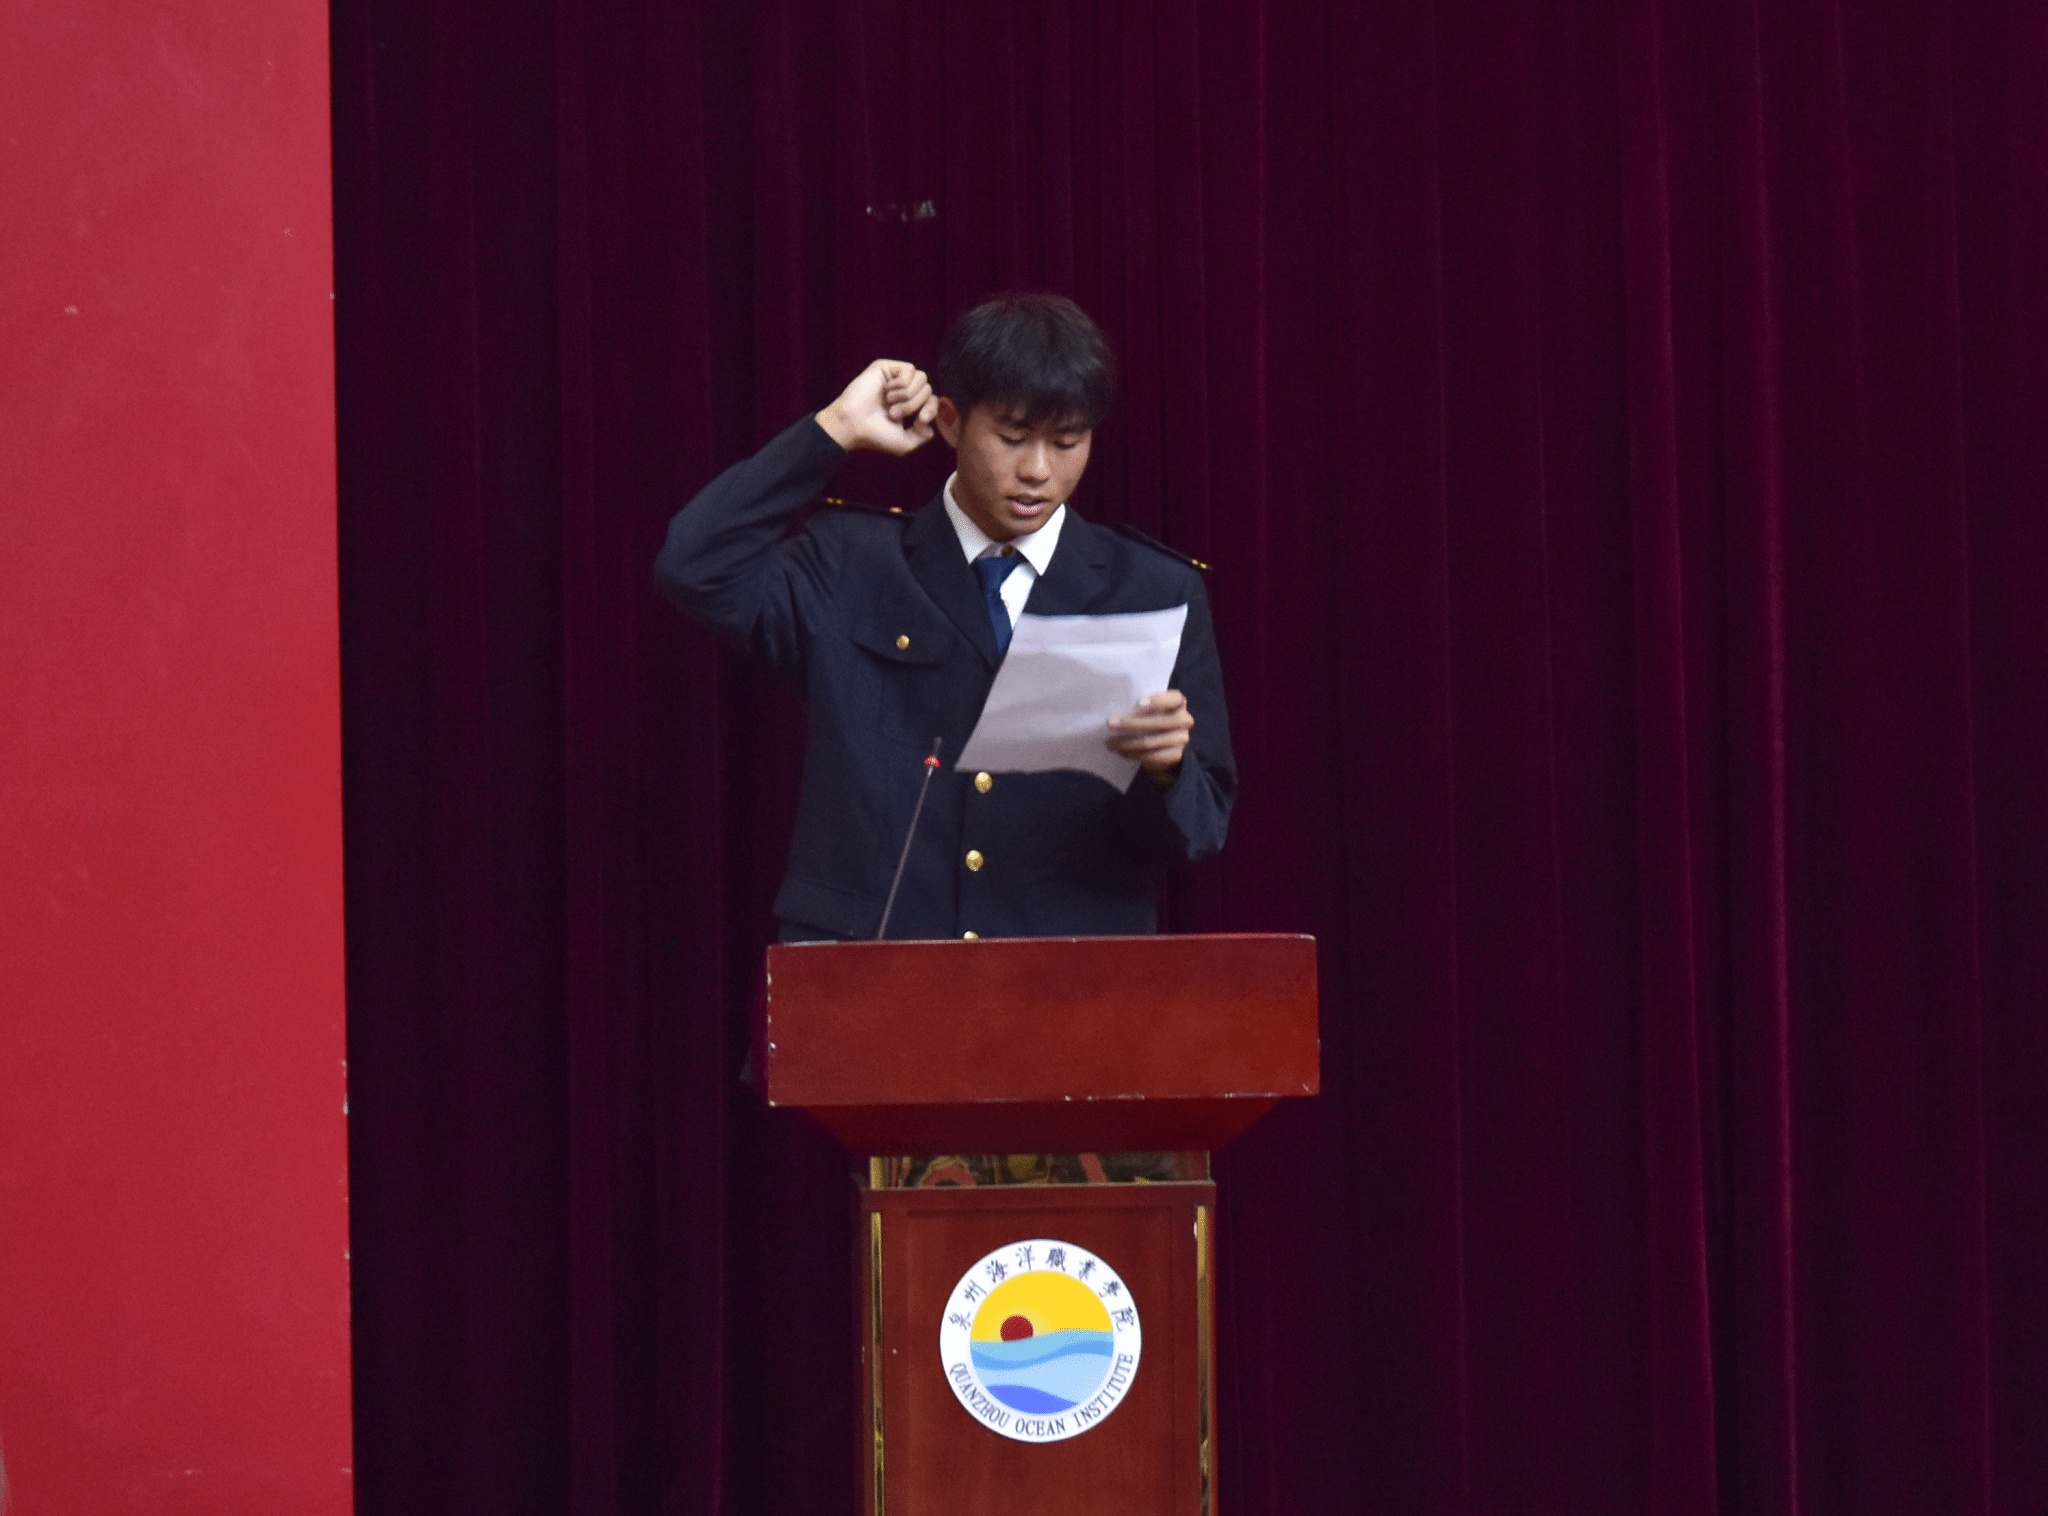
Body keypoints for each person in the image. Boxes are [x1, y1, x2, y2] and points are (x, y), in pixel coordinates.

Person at [655, 293, 1234, 941]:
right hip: (873, 973)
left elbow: (1200, 829)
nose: (1038, 471)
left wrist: (1164, 768)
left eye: (1067, 442)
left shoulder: (1153, 589)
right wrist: (835, 429)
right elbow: (695, 564)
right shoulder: (851, 561)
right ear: (952, 422)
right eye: (1012, 438)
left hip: (1065, 981)